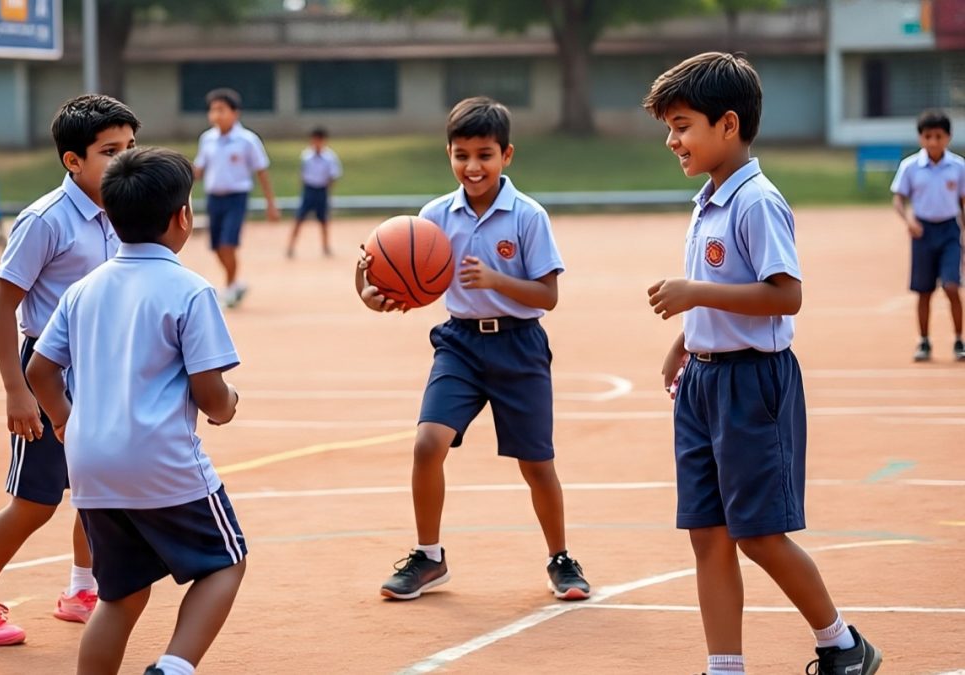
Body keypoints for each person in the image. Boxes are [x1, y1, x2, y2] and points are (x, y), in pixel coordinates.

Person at [642, 52, 881, 675]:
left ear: (728, 125)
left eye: (682, 125)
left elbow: (785, 294)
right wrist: (686, 342)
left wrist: (694, 295)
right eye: (669, 127)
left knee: (757, 534)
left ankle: (842, 645)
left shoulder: (757, 201)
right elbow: (717, 282)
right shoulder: (709, 196)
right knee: (708, 533)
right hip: (704, 381)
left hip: (753, 383)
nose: (673, 140)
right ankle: (725, 667)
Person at [355, 96, 591, 602]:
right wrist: (371, 292)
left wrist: (496, 279)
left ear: (507, 155)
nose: (472, 166)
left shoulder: (527, 216)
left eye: (484, 155)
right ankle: (429, 556)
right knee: (426, 444)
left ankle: (561, 558)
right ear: (449, 155)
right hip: (460, 343)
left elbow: (547, 295)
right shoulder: (434, 216)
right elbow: (407, 293)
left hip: (519, 346)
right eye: (462, 155)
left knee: (537, 463)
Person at [27, 147, 245, 675]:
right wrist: (227, 406)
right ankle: (172, 668)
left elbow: (39, 370)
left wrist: (64, 420)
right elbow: (211, 394)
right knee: (225, 562)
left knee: (118, 595)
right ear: (183, 217)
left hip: (91, 466)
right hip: (161, 462)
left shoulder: (83, 289)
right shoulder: (190, 290)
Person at [0, 95, 139, 646]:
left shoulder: (124, 210)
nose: (123, 160)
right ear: (72, 161)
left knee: (98, 487)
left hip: (102, 370)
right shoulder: (45, 220)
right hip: (47, 371)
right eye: (109, 151)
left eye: (129, 148)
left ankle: (82, 590)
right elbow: (2, 304)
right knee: (34, 501)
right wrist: (16, 390)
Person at [890, 109, 965, 362]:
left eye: (939, 136)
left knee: (952, 286)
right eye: (928, 136)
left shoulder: (958, 167)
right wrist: (909, 220)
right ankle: (924, 341)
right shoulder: (910, 166)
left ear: (948, 137)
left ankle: (958, 339)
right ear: (921, 138)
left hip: (949, 231)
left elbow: (963, 202)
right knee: (924, 291)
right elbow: (898, 198)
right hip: (922, 231)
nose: (933, 141)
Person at [193, 87, 279, 308]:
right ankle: (236, 284)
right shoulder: (207, 139)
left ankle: (230, 285)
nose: (215, 115)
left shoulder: (247, 140)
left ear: (235, 113)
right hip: (214, 198)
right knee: (216, 247)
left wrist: (271, 204)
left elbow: (262, 171)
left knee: (228, 243)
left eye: (221, 109)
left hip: (236, 198)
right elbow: (199, 170)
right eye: (212, 110)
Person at [287, 126, 341, 259]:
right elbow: (302, 173)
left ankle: (325, 246)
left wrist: (328, 191)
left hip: (321, 190)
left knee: (323, 221)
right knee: (299, 219)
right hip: (309, 189)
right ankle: (290, 246)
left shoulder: (329, 157)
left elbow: (333, 175)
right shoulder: (306, 155)